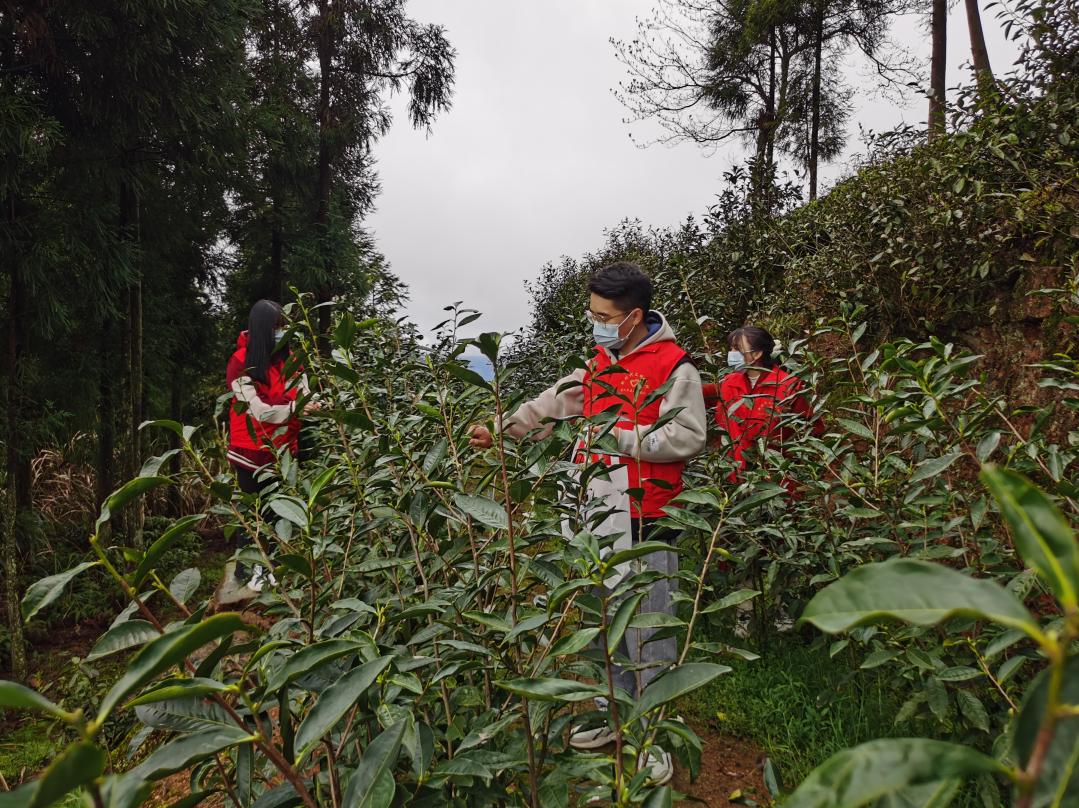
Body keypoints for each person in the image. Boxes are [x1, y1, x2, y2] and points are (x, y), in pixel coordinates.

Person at [470, 262, 707, 785]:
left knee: (650, 627)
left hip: (649, 515)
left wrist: (616, 436)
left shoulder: (675, 367)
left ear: (634, 317)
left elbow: (690, 436)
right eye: (592, 314)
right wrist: (501, 428)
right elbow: (553, 403)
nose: (595, 323)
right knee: (609, 621)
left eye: (604, 316)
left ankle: (654, 735)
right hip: (601, 509)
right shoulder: (601, 361)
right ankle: (616, 716)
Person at [217, 299, 320, 605]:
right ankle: (246, 575)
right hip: (251, 451)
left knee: (279, 514)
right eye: (278, 327)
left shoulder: (291, 361)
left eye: (285, 326)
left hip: (284, 451)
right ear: (265, 329)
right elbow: (257, 411)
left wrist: (316, 405)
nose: (283, 332)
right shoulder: (240, 362)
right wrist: (296, 409)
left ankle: (273, 572)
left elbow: (304, 394)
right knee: (253, 515)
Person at [713, 326, 822, 487]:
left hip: (776, 481)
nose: (732, 353)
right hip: (735, 478)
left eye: (737, 349)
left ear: (757, 353)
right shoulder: (729, 383)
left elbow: (811, 430)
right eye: (731, 348)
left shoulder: (789, 386)